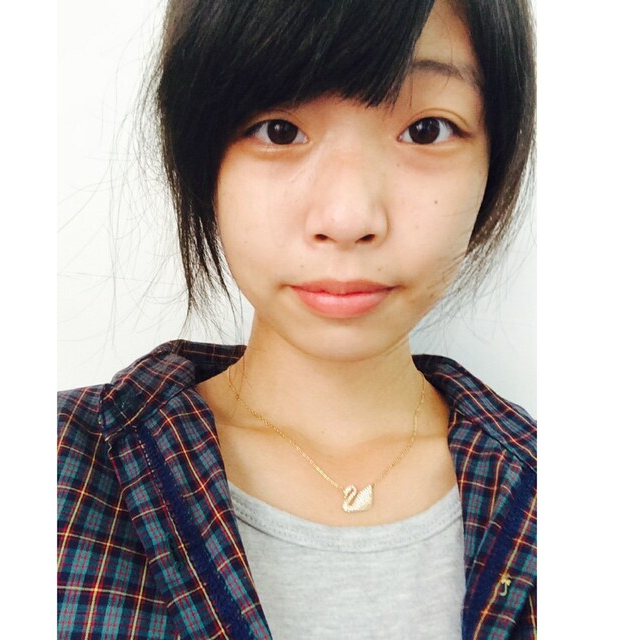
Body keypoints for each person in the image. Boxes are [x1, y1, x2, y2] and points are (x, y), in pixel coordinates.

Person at [57, 0, 536, 638]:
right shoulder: (56, 471)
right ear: (203, 158)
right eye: (279, 131)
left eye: (426, 130)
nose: (348, 218)